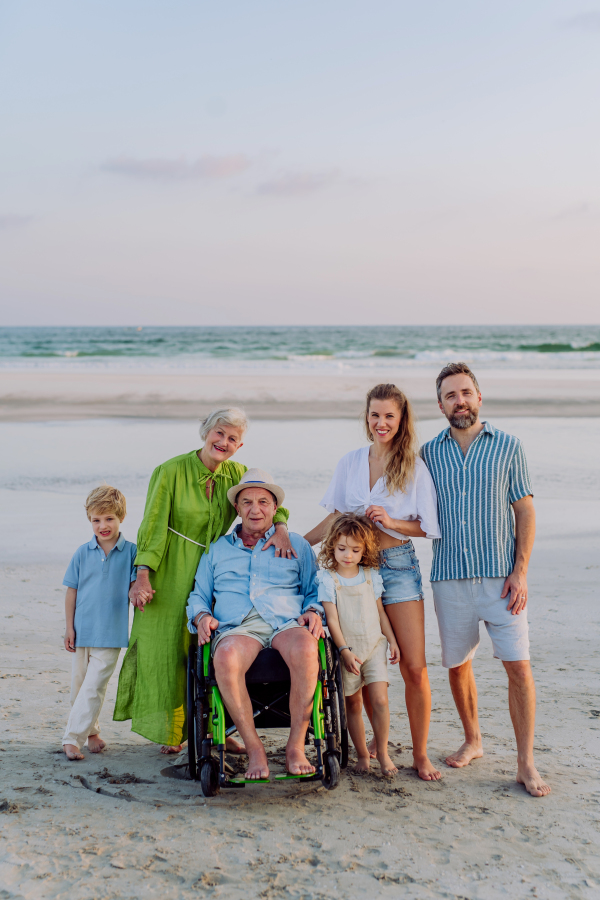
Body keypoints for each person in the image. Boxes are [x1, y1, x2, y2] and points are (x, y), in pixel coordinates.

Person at [113, 408, 294, 754]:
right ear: (206, 432)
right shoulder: (170, 471)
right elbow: (152, 527)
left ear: (240, 446)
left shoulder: (238, 474)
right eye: (219, 434)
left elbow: (272, 505)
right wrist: (142, 575)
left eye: (232, 439)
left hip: (218, 570)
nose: (223, 442)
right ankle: (174, 732)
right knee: (169, 650)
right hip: (172, 568)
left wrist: (282, 528)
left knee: (210, 649)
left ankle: (219, 728)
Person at [420, 362, 551, 798]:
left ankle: (525, 762)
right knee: (458, 667)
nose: (460, 401)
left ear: (479, 397)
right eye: (451, 395)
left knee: (519, 667)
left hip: (501, 579)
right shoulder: (428, 453)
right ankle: (473, 740)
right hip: (448, 578)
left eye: (466, 392)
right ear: (440, 405)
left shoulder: (508, 447)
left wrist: (521, 571)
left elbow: (525, 510)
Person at [305, 383, 442, 781]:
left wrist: (391, 521)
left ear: (401, 421)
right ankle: (369, 752)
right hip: (352, 569)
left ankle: (420, 755)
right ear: (366, 418)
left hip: (397, 566)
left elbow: (427, 527)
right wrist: (295, 542)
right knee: (360, 665)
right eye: (375, 415)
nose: (381, 423)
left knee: (413, 667)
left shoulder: (413, 467)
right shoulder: (350, 462)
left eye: (389, 416)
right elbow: (335, 517)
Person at [186, 469, 325, 780]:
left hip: (284, 620)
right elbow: (199, 595)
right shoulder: (216, 549)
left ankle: (295, 746)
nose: (255, 509)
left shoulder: (297, 545)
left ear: (275, 509)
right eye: (247, 502)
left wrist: (314, 611)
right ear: (237, 508)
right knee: (224, 656)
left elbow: (315, 589)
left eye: (263, 501)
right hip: (237, 625)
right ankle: (255, 749)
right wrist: (201, 617)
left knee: (307, 646)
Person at [317, 513, 400, 776]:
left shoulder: (370, 575)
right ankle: (362, 754)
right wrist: (344, 651)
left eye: (355, 550)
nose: (348, 555)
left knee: (380, 700)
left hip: (375, 646)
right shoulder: (329, 579)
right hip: (346, 652)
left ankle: (383, 753)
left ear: (364, 550)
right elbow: (331, 620)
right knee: (352, 704)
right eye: (342, 549)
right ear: (332, 546)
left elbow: (381, 613)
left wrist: (393, 641)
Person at [62, 485, 141, 760]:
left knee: (94, 686)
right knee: (79, 687)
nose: (103, 525)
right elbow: (71, 591)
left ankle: (72, 739)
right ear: (90, 521)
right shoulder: (82, 553)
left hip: (111, 634)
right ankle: (92, 732)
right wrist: (69, 627)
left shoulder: (132, 552)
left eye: (109, 519)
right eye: (96, 520)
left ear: (121, 518)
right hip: (82, 631)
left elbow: (135, 584)